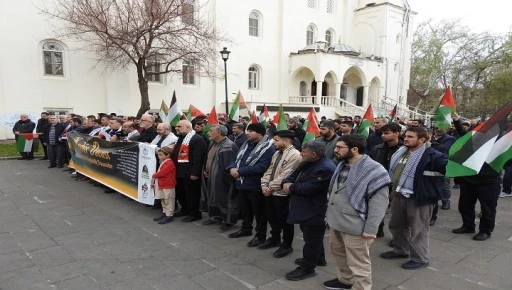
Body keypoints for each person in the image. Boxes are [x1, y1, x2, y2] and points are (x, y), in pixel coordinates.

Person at [323, 135, 390, 290]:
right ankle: (346, 280)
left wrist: (371, 229)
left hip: (356, 226)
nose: (335, 150)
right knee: (339, 254)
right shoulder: (342, 164)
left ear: (354, 149)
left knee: (359, 262)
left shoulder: (375, 170)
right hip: (336, 221)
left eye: (340, 147)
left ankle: (362, 287)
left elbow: (379, 203)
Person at [380, 127, 447, 270]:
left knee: (419, 230)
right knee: (397, 225)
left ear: (422, 140)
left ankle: (420, 258)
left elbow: (447, 170)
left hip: (419, 198)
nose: (406, 138)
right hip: (398, 194)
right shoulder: (400, 152)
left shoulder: (433, 156)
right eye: (406, 136)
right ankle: (400, 250)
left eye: (410, 136)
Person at [282, 140, 336, 281]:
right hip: (305, 208)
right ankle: (318, 259)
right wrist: (286, 182)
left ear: (313, 154)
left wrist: (290, 187)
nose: (301, 153)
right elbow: (293, 175)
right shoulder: (307, 162)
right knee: (311, 237)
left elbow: (309, 188)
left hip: (315, 210)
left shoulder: (326, 168)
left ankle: (308, 268)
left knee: (312, 240)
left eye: (303, 151)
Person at [451, 113, 502, 241]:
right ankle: (468, 226)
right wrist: (457, 121)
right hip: (469, 179)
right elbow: (464, 135)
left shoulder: (499, 142)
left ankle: (485, 231)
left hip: (489, 182)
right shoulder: (476, 139)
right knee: (464, 205)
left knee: (487, 209)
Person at [227, 123, 275, 247]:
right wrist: (232, 167)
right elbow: (235, 157)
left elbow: (261, 167)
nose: (247, 133)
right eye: (248, 131)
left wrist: (239, 171)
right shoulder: (246, 144)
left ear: (260, 133)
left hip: (255, 185)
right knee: (246, 210)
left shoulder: (267, 148)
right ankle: (246, 229)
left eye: (251, 131)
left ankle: (260, 236)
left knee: (259, 213)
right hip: (242, 183)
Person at [260, 130, 302, 258]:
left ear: (287, 141)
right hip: (270, 191)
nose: (274, 142)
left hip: (282, 194)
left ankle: (286, 245)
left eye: (277, 140)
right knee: (272, 217)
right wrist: (264, 184)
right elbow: (270, 170)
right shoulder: (277, 153)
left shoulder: (295, 155)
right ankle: (274, 238)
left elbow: (286, 175)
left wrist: (270, 187)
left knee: (285, 220)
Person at [200, 125, 240, 232]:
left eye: (211, 131)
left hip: (223, 180)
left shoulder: (228, 146)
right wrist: (207, 171)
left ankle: (228, 221)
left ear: (219, 133)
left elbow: (228, 166)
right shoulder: (212, 143)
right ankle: (216, 217)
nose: (208, 133)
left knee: (225, 199)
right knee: (214, 198)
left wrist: (217, 175)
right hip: (212, 177)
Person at [368, 122, 403, 237]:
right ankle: (378, 228)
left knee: (398, 213)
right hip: (380, 183)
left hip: (397, 184)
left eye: (387, 133)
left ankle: (398, 237)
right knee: (378, 206)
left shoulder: (404, 150)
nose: (383, 135)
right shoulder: (377, 148)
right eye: (382, 133)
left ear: (396, 133)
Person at [172, 120, 208, 222]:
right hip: (179, 171)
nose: (176, 128)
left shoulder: (197, 139)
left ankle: (195, 214)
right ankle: (185, 209)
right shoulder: (181, 138)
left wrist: (195, 173)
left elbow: (198, 158)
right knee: (181, 192)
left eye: (179, 126)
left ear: (188, 127)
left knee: (192, 194)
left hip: (190, 173)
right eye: (176, 126)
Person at [152, 147, 177, 224]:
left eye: (161, 155)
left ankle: (169, 215)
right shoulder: (164, 161)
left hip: (168, 185)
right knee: (163, 199)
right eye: (158, 155)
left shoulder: (169, 163)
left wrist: (153, 175)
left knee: (169, 200)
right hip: (162, 184)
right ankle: (165, 212)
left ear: (168, 155)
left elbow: (162, 173)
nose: (159, 156)